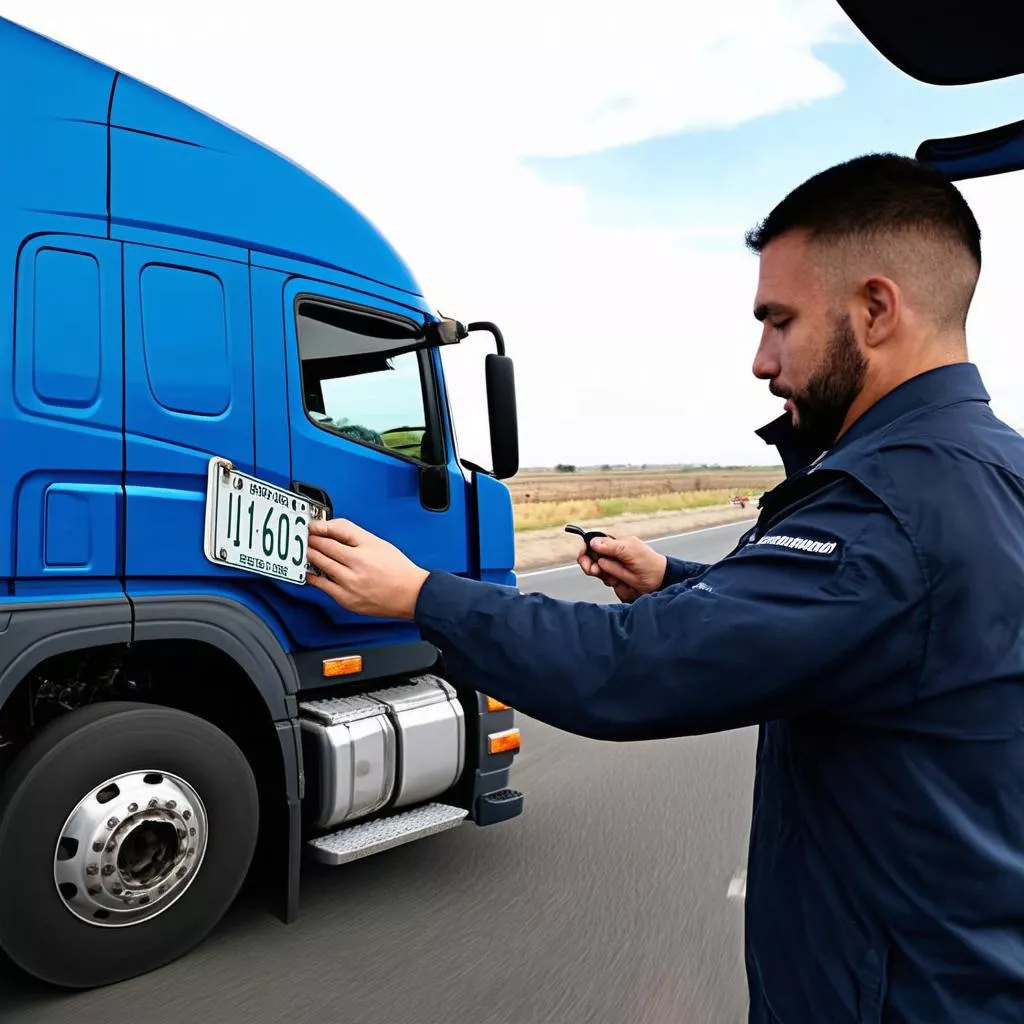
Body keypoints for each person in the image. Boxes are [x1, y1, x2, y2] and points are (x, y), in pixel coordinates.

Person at [306, 154, 1024, 1022]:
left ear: (876, 309)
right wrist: (672, 577)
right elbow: (847, 623)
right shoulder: (990, 471)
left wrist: (422, 594)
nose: (762, 362)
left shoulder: (889, 509)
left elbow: (634, 671)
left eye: (780, 321)